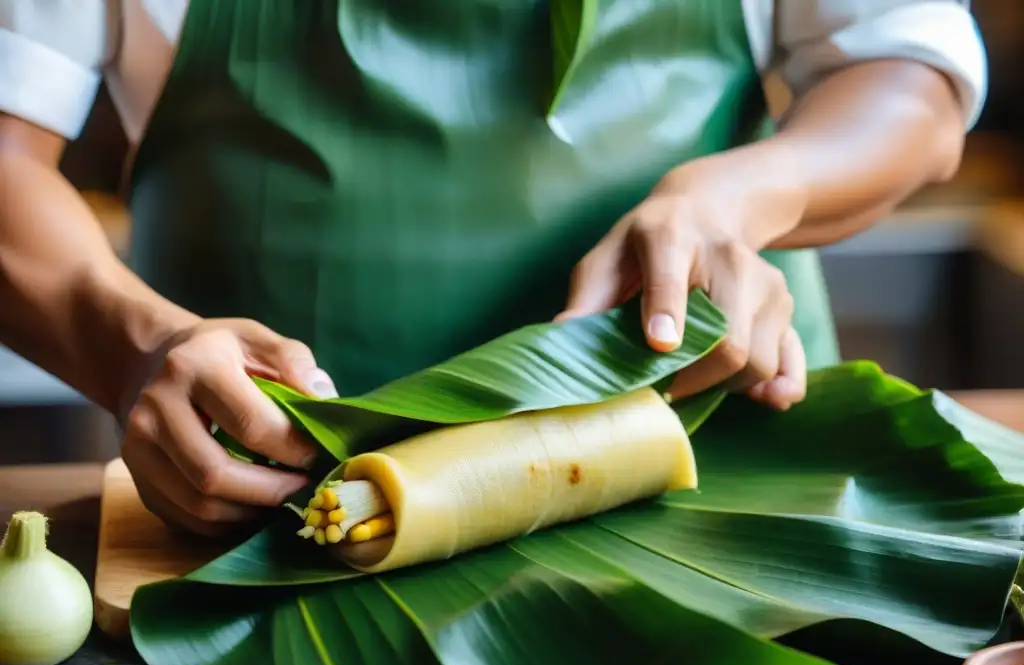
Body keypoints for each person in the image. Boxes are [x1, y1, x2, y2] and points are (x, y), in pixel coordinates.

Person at [0, 0, 984, 537]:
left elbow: (909, 76)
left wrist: (739, 198)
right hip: (277, 510)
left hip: (720, 476)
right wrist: (138, 345)